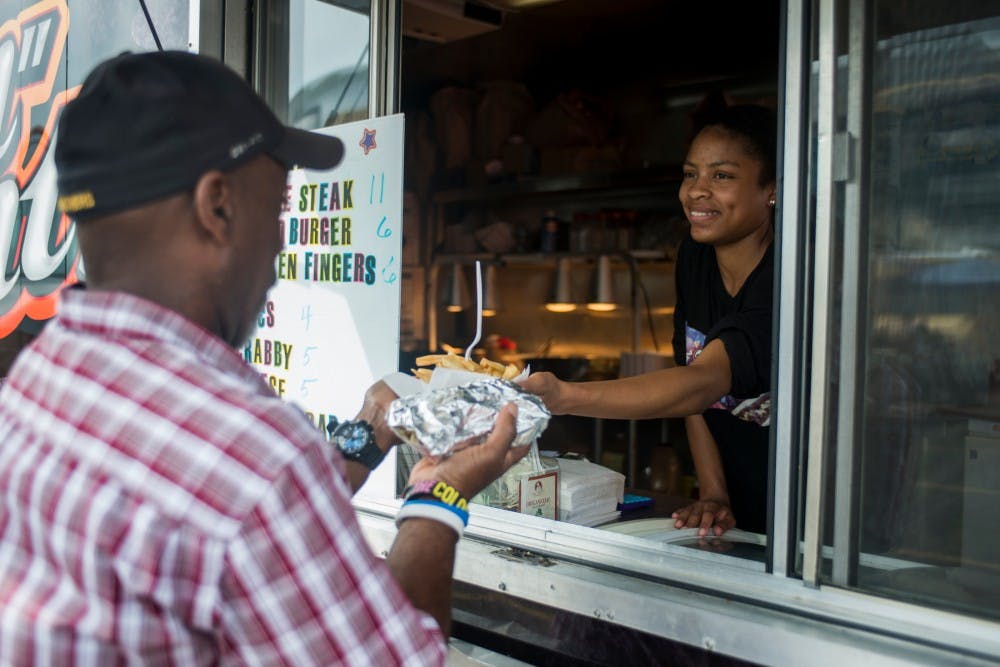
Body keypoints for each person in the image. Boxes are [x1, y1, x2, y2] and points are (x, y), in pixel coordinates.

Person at [0, 51, 527, 665]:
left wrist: (365, 436)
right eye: (277, 208)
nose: (280, 241)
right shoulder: (251, 455)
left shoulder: (38, 379)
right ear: (217, 206)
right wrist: (440, 499)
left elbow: (217, 526)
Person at [523, 105, 776, 536]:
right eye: (690, 174)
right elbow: (690, 379)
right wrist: (714, 493)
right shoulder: (696, 258)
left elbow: (700, 385)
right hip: (734, 514)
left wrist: (564, 396)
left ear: (772, 189)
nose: (697, 191)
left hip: (802, 516)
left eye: (722, 176)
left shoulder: (785, 276)